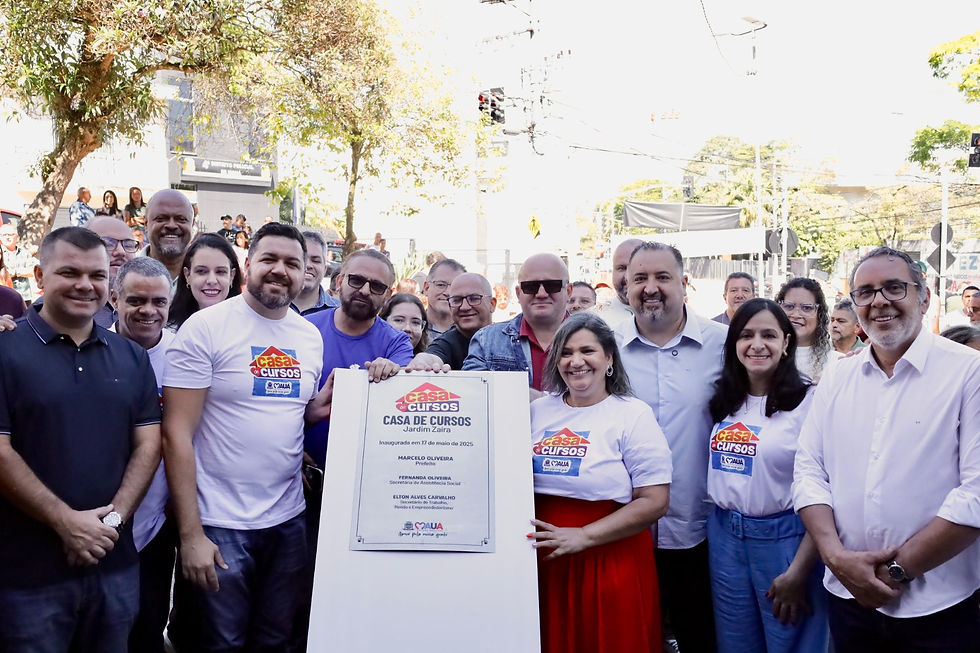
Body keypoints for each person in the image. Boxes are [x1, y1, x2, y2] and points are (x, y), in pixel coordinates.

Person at [793, 246, 980, 652]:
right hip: (847, 600)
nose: (879, 301)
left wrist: (894, 573)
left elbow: (976, 495)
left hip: (940, 606)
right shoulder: (839, 376)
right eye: (866, 292)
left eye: (894, 287)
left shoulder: (969, 373)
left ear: (925, 296)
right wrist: (835, 557)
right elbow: (808, 471)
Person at [163, 222, 324, 651]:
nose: (280, 270)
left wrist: (318, 414)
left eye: (293, 263)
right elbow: (176, 433)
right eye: (269, 259)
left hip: (287, 521)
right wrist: (191, 535)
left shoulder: (309, 338)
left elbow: (283, 415)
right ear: (247, 265)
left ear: (306, 272)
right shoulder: (206, 328)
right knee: (222, 645)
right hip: (220, 525)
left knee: (278, 641)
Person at [0, 227, 161, 652]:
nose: (85, 285)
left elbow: (149, 445)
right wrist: (65, 523)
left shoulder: (132, 357)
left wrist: (107, 526)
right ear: (38, 276)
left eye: (97, 274)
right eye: (69, 272)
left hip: (114, 565)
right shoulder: (4, 349)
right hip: (26, 575)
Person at [529, 313, 671, 653]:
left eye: (587, 351)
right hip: (544, 564)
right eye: (566, 352)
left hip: (609, 561)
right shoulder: (537, 411)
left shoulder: (631, 414)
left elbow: (655, 500)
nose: (576, 361)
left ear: (608, 357)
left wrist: (584, 536)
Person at [616, 240, 727, 653]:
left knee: (701, 636)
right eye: (639, 277)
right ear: (625, 286)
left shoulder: (724, 344)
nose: (650, 287)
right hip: (623, 527)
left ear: (685, 283)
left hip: (703, 527)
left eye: (662, 277)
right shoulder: (602, 344)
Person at [705, 298, 828, 652]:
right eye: (746, 335)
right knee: (735, 644)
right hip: (725, 539)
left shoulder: (810, 402)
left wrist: (800, 570)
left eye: (769, 335)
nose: (757, 344)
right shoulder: (723, 399)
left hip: (786, 543)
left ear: (786, 342)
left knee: (791, 641)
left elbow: (827, 489)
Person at [107, 258, 176, 653]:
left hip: (157, 518)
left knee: (149, 623)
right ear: (114, 298)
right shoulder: (89, 346)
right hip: (98, 513)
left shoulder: (186, 352)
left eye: (159, 302)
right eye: (136, 300)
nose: (148, 311)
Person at [464, 253, 572, 395]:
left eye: (552, 285)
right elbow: (472, 394)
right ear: (518, 293)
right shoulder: (486, 341)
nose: (541, 293)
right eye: (530, 286)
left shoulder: (596, 339)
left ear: (569, 291)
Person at [408, 272, 496, 371]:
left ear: (492, 304)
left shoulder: (508, 338)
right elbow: (433, 356)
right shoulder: (446, 343)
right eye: (457, 300)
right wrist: (423, 362)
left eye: (474, 298)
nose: (464, 307)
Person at [167, 233, 243, 330]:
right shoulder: (166, 332)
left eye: (220, 272)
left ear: (232, 276)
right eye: (201, 271)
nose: (212, 281)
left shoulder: (249, 328)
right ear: (187, 275)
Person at [87, 215, 141, 328]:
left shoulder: (151, 305)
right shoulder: (63, 308)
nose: (121, 252)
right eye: (108, 244)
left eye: (128, 244)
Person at [776, 278, 831, 382]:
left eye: (806, 308)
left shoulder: (837, 362)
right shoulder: (765, 355)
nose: (796, 315)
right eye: (789, 306)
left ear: (819, 315)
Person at [143, 189, 193, 290]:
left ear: (192, 224)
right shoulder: (125, 272)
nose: (172, 225)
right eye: (161, 218)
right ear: (146, 224)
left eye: (181, 219)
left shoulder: (209, 276)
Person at [291, 231, 340, 316]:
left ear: (325, 269)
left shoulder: (339, 311)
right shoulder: (270, 306)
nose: (308, 265)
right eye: (303, 258)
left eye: (316, 261)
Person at [597, 238, 642, 329]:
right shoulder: (592, 320)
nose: (627, 277)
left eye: (635, 267)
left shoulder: (673, 317)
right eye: (621, 268)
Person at [423, 258, 466, 337]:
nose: (448, 293)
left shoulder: (470, 332)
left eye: (455, 286)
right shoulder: (412, 329)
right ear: (426, 288)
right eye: (441, 285)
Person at [0, 223, 38, 302]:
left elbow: (34, 271)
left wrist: (16, 272)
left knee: (25, 314)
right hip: (4, 297)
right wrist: (23, 271)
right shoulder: (0, 253)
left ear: (17, 237)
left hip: (24, 297)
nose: (7, 237)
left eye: (10, 234)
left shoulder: (24, 253)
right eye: (4, 235)